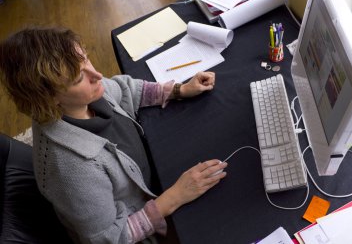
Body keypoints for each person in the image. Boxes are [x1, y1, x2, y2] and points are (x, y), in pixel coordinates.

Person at [0, 27, 227, 244]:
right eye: (79, 78)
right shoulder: (71, 169)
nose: (97, 75)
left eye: (86, 58)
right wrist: (175, 196)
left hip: (149, 180)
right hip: (141, 221)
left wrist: (179, 90)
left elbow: (126, 88)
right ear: (49, 98)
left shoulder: (86, 95)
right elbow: (109, 237)